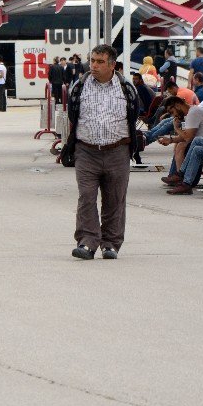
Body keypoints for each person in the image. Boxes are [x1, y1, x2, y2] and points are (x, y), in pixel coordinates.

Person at [66, 44, 139, 260]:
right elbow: (73, 114)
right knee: (86, 197)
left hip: (118, 151)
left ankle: (111, 244)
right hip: (86, 152)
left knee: (114, 199)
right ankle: (87, 242)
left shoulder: (127, 88)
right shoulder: (79, 86)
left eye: (99, 62)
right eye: (92, 60)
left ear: (112, 65)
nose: (94, 65)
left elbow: (133, 115)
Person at [157, 95, 203, 184]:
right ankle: (178, 175)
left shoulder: (193, 113)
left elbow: (188, 137)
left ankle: (181, 176)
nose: (174, 115)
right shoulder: (191, 112)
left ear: (177, 105)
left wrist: (176, 128)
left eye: (172, 112)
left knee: (182, 145)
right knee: (180, 144)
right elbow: (186, 136)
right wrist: (171, 140)